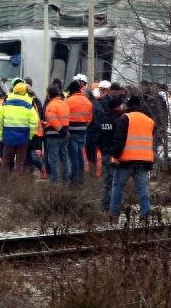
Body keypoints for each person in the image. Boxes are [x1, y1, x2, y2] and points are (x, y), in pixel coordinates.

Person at [108, 96, 155, 222]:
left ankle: (114, 216)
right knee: (142, 188)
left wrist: (115, 156)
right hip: (144, 161)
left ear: (128, 106)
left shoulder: (125, 118)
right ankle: (145, 215)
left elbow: (119, 139)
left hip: (125, 160)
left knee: (118, 186)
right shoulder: (149, 121)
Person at [91, 83, 126, 211]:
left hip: (106, 152)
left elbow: (99, 136)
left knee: (107, 180)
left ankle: (105, 205)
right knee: (116, 182)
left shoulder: (104, 119)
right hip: (116, 154)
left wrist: (103, 149)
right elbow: (120, 138)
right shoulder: (119, 120)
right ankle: (113, 206)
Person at [0, 80, 39, 173]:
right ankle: (17, 184)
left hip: (8, 137)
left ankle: (3, 183)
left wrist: (1, 134)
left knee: (6, 161)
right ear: (25, 92)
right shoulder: (28, 105)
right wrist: (30, 136)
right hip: (23, 138)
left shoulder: (5, 104)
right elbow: (35, 122)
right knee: (20, 162)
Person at [66, 80, 93, 184]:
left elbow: (64, 117)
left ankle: (74, 180)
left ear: (71, 90)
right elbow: (90, 119)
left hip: (72, 132)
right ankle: (81, 178)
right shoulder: (88, 102)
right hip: (83, 131)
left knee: (73, 157)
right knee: (81, 155)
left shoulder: (68, 101)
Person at [42, 85, 71, 184]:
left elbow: (52, 119)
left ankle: (54, 182)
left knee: (53, 160)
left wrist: (61, 130)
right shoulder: (64, 104)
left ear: (49, 94)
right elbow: (64, 119)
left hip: (54, 135)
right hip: (64, 135)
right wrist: (64, 131)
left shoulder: (51, 105)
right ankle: (66, 181)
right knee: (64, 158)